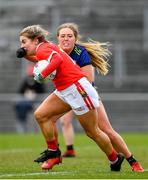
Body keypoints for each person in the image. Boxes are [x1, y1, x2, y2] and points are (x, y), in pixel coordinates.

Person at [18, 24, 125, 172]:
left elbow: (57, 60)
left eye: (24, 42)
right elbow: (40, 58)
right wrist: (25, 54)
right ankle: (54, 152)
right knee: (41, 115)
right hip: (64, 90)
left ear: (35, 40)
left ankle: (115, 158)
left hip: (78, 89)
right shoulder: (43, 48)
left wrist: (43, 74)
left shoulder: (43, 49)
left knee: (93, 132)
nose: (22, 46)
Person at [53, 23, 144, 172]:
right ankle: (56, 152)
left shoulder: (80, 52)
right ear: (58, 38)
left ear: (75, 38)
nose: (66, 39)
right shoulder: (54, 52)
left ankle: (132, 161)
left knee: (106, 130)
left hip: (85, 95)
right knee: (48, 118)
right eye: (62, 36)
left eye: (70, 36)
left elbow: (88, 80)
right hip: (66, 95)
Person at [14, 63, 45, 133]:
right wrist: (26, 93)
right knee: (21, 109)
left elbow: (42, 92)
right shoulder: (25, 81)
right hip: (26, 103)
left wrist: (35, 94)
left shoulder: (39, 81)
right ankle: (22, 130)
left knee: (37, 114)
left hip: (37, 102)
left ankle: (38, 131)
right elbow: (20, 91)